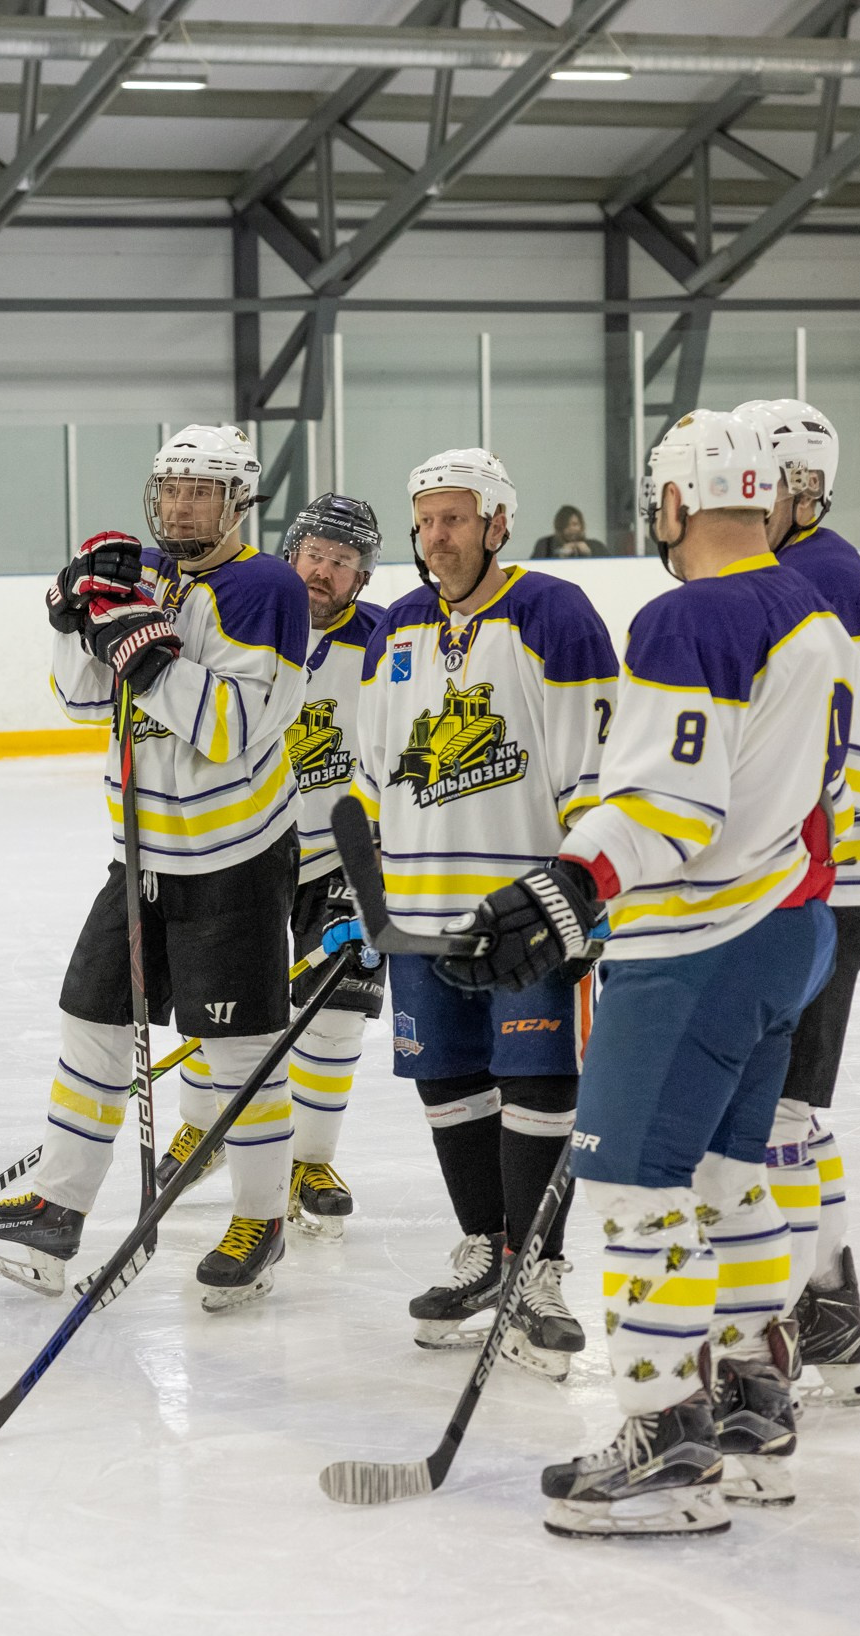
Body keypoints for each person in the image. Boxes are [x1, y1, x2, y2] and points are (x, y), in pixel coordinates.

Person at [436, 408, 854, 1537]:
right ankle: (754, 1406)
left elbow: (673, 798)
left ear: (675, 501)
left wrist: (571, 884)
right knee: (727, 1172)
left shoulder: (686, 616)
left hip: (697, 945)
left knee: (634, 1188)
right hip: (785, 927)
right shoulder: (811, 607)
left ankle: (667, 1439)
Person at [0, 424, 310, 1311]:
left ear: (238, 499)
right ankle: (57, 1211)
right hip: (137, 856)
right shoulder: (148, 576)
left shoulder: (265, 588)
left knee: (238, 1051)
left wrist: (139, 650)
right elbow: (76, 698)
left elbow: (226, 730)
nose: (180, 504)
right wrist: (79, 618)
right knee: (91, 1022)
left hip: (235, 861)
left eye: (201, 489)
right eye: (171, 488)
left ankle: (261, 1221)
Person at [352, 448, 619, 1379]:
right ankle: (481, 1252)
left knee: (539, 1082)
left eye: (455, 518)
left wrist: (582, 897)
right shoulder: (399, 625)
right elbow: (368, 770)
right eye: (425, 520)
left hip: (526, 914)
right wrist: (363, 900)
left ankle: (535, 1270)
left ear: (500, 521)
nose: (437, 537)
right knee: (450, 1079)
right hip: (421, 912)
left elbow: (597, 771)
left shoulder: (554, 615)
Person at [155, 491, 386, 1242]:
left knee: (337, 1010)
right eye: (316, 554)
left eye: (343, 562)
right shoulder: (244, 611)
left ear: (362, 576)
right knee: (222, 1002)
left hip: (337, 855)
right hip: (245, 841)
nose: (325, 572)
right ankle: (205, 1126)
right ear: (291, 553)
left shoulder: (383, 642)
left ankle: (309, 1160)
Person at [737, 396, 860, 1406]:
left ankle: (808, 1306)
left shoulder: (818, 577)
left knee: (779, 1106)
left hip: (818, 881)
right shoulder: (814, 566)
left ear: (801, 486)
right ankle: (827, 1301)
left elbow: (825, 757)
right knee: (787, 1103)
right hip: (821, 873)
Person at [531, 505, 601, 560]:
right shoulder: (546, 545)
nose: (571, 529)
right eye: (566, 525)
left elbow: (609, 565)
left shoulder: (595, 545)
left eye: (575, 524)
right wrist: (559, 555)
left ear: (581, 525)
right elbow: (534, 570)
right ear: (559, 527)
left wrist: (590, 554)